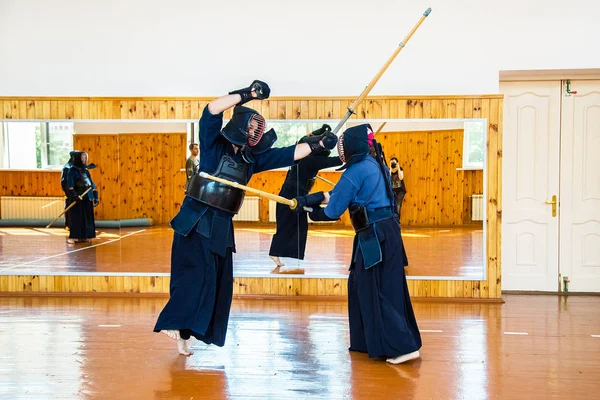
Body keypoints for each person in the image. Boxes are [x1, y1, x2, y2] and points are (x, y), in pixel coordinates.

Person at [153, 80, 338, 356]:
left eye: (257, 129)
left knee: (217, 281)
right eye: (251, 126)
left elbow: (287, 154)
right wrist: (247, 94)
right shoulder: (213, 145)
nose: (254, 132)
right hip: (197, 218)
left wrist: (318, 144)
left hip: (221, 225)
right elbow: (211, 110)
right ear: (239, 124)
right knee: (196, 275)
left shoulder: (251, 160)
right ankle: (174, 322)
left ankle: (186, 333)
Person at [293, 123, 421, 364]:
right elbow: (344, 196)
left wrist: (310, 209)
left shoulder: (353, 172)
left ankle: (402, 347)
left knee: (375, 288)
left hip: (374, 236)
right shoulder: (374, 163)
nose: (341, 150)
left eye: (343, 145)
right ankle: (368, 342)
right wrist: (315, 198)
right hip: (386, 232)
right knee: (370, 284)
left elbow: (333, 211)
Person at [268, 125, 343, 274]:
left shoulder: (306, 154)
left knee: (298, 225)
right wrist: (352, 153)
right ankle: (274, 252)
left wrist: (320, 131)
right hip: (291, 193)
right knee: (286, 224)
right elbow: (338, 161)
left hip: (297, 193)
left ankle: (277, 252)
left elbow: (304, 139)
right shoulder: (311, 159)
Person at [66, 151, 99, 243]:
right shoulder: (72, 170)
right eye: (82, 157)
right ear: (78, 159)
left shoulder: (86, 170)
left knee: (88, 217)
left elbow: (91, 184)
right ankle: (74, 236)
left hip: (87, 196)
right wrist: (75, 196)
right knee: (77, 217)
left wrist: (95, 196)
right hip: (78, 197)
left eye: (85, 157)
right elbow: (70, 185)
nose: (85, 159)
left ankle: (86, 235)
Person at [389, 156, 407, 222]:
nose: (393, 164)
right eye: (391, 163)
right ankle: (394, 221)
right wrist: (390, 169)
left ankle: (397, 222)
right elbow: (388, 178)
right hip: (393, 191)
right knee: (392, 206)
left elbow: (401, 177)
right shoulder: (389, 170)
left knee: (398, 206)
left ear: (397, 163)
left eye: (394, 163)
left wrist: (398, 168)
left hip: (400, 191)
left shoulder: (400, 169)